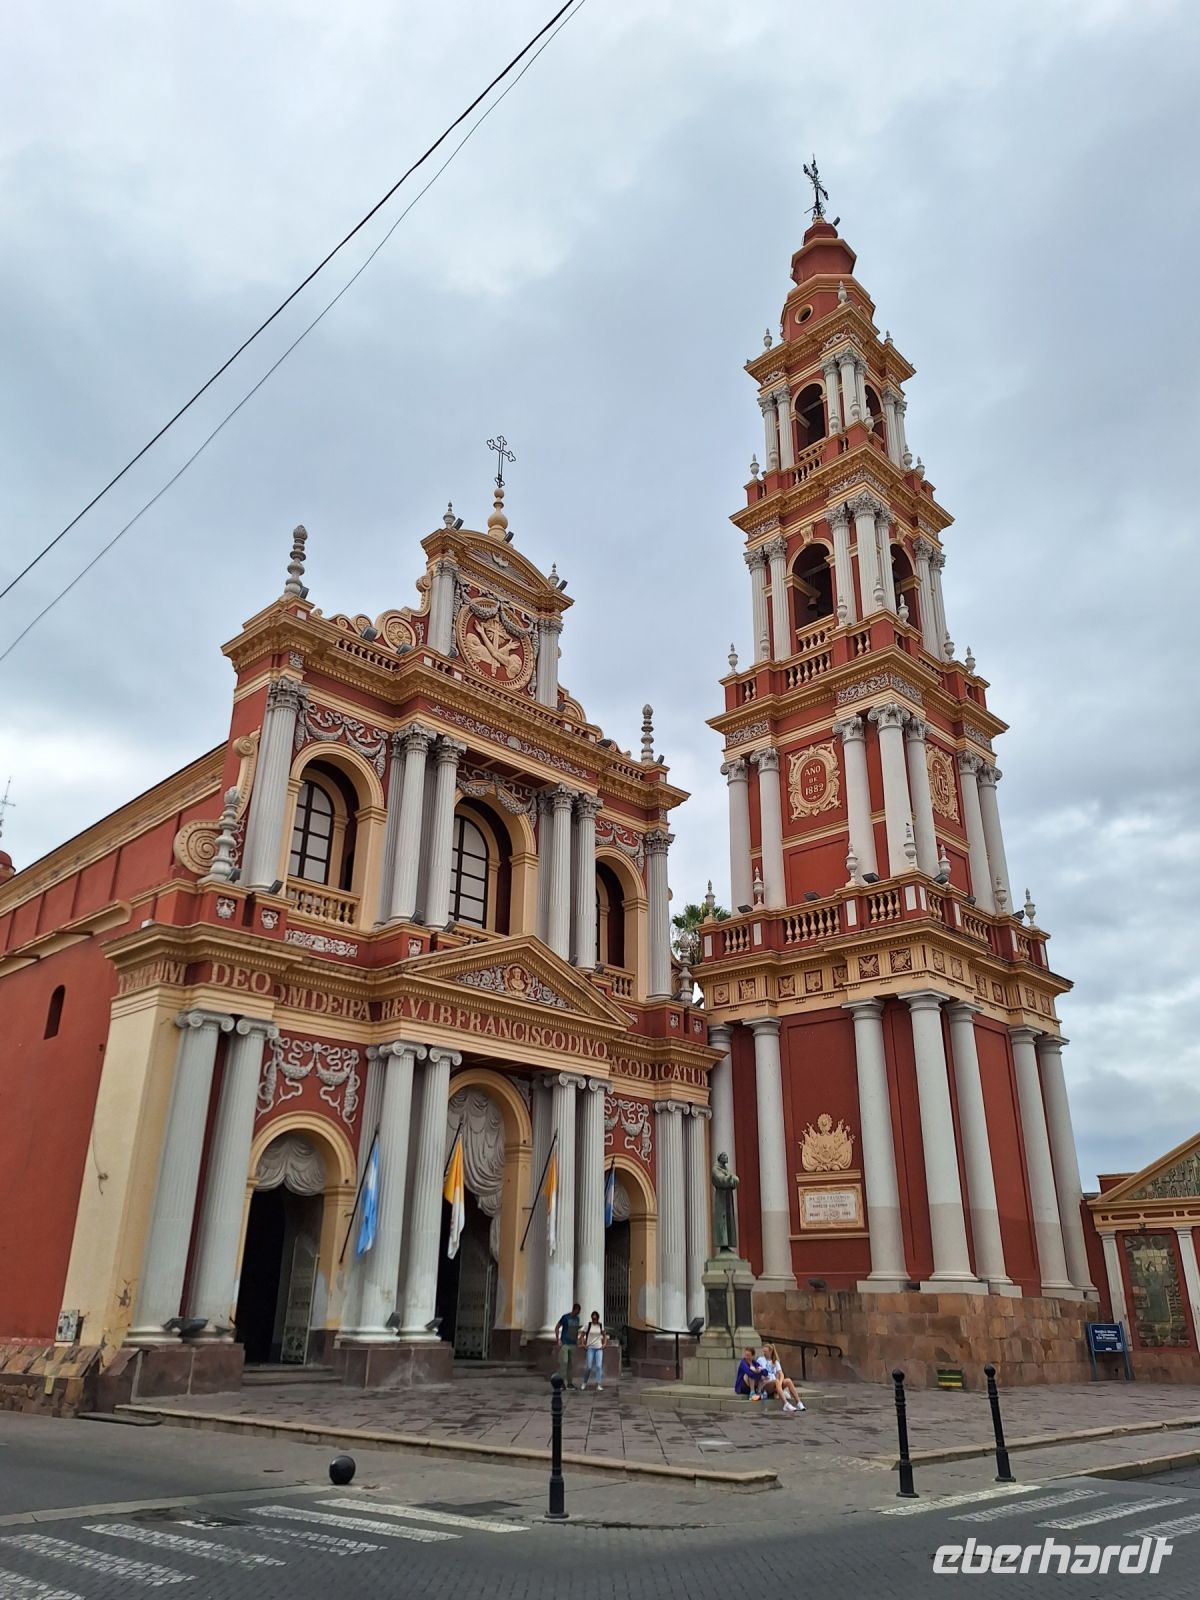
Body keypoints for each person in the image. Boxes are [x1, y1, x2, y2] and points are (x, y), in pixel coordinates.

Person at [757, 1343, 805, 1413]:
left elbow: (781, 1373)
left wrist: (780, 1382)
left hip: (776, 1384)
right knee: (776, 1381)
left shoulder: (775, 1361)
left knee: (788, 1380)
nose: (764, 1353)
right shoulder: (760, 1359)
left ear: (770, 1352)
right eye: (763, 1351)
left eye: (766, 1351)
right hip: (765, 1385)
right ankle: (785, 1404)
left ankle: (799, 1403)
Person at [555, 1302, 582, 1388]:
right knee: (564, 1362)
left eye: (578, 1312)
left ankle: (570, 1382)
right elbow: (557, 1327)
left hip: (573, 1343)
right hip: (565, 1343)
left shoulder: (577, 1319)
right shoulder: (565, 1317)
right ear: (574, 1310)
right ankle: (562, 1381)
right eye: (576, 1311)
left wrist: (578, 1339)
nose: (577, 1314)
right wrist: (558, 1339)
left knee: (571, 1364)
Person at [581, 1310, 607, 1391]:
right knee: (589, 1367)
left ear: (598, 1318)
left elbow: (604, 1335)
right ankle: (584, 1382)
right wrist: (583, 1343)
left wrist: (604, 1344)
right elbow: (582, 1334)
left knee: (598, 1366)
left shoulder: (600, 1325)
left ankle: (598, 1384)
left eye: (595, 1319)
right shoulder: (588, 1325)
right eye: (593, 1318)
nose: (594, 1320)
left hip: (599, 1348)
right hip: (590, 1348)